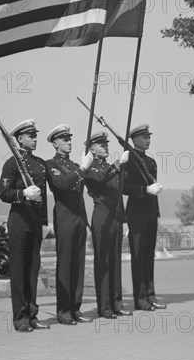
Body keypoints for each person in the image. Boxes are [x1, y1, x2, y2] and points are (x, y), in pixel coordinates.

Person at [0, 119, 50, 333]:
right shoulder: (11, 164)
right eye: (30, 136)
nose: (35, 139)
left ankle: (32, 314)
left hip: (35, 221)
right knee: (19, 270)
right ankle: (20, 318)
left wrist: (45, 222)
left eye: (35, 135)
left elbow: (44, 196)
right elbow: (4, 193)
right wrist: (23, 194)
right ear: (19, 139)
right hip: (19, 221)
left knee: (33, 269)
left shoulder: (40, 164)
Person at [46, 124, 93, 325]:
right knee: (65, 264)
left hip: (79, 219)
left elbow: (83, 191)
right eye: (64, 140)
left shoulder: (75, 165)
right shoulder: (51, 165)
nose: (69, 142)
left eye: (70, 139)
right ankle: (64, 311)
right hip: (64, 218)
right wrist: (82, 169)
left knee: (78, 264)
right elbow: (63, 185)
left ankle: (75, 307)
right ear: (55, 143)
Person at [84, 131, 133, 319]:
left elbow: (118, 192)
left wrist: (124, 219)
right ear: (92, 149)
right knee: (102, 261)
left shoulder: (108, 167)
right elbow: (99, 179)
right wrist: (117, 164)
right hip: (101, 214)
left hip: (115, 216)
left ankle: (116, 304)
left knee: (115, 261)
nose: (105, 146)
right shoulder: (91, 167)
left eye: (106, 144)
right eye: (101, 144)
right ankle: (104, 307)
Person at [123, 124, 166, 311]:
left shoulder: (150, 162)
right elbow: (124, 188)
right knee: (139, 256)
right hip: (137, 213)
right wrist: (145, 190)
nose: (149, 140)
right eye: (145, 137)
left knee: (149, 256)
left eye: (149, 137)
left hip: (150, 212)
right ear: (135, 140)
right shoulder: (128, 161)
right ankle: (140, 299)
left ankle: (151, 296)